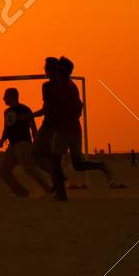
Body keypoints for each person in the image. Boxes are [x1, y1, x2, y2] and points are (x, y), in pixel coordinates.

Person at [43, 57, 113, 199]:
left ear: (59, 70)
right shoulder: (72, 85)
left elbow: (51, 108)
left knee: (55, 161)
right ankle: (100, 165)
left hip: (62, 129)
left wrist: (52, 122)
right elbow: (79, 107)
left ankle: (61, 194)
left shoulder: (56, 86)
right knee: (77, 164)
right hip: (75, 128)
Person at [0, 87, 54, 196]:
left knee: (29, 168)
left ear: (12, 97)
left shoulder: (24, 109)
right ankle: (22, 193)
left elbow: (32, 126)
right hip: (12, 145)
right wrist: (2, 139)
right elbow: (7, 127)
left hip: (23, 143)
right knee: (3, 171)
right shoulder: (7, 111)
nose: (3, 98)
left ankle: (49, 189)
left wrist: (36, 140)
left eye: (6, 96)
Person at [31, 56, 60, 169]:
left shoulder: (47, 86)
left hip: (49, 124)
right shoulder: (68, 84)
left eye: (46, 68)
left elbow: (45, 109)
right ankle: (57, 180)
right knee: (51, 154)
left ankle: (57, 176)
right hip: (63, 125)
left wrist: (29, 115)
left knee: (35, 155)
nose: (44, 70)